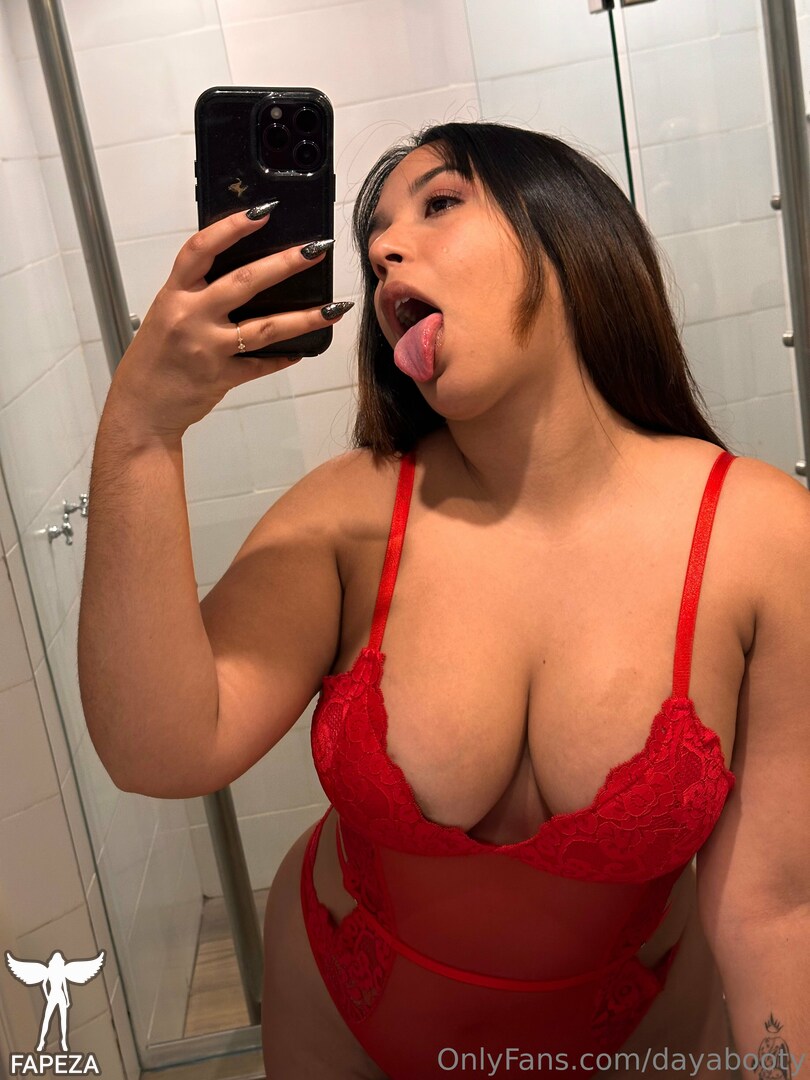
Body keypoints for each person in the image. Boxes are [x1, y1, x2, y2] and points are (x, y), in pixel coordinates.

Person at [78, 122, 810, 1079]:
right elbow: (162, 750)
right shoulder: (344, 516)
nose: (385, 248)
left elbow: (775, 908)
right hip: (343, 1006)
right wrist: (141, 432)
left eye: (439, 204)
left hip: (644, 1033)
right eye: (374, 235)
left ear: (568, 230)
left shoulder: (760, 535)